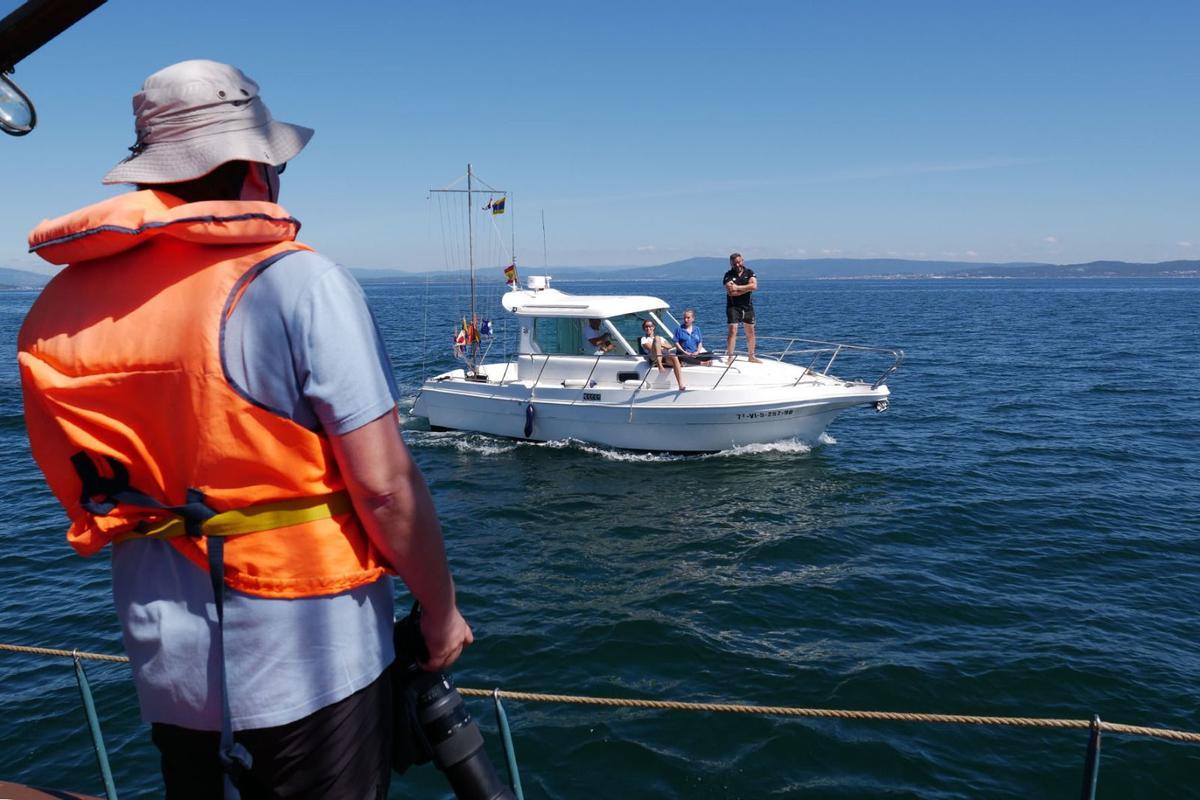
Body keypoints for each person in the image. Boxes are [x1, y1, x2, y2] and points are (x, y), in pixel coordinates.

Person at [17, 60, 472, 800]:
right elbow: (386, 487)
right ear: (257, 170)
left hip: (166, 662)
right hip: (314, 657)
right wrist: (442, 614)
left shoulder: (60, 306)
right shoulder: (298, 282)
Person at [723, 252, 761, 363]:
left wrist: (738, 287)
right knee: (732, 330)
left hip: (748, 307)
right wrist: (747, 288)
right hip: (733, 307)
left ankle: (751, 356)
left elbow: (754, 286)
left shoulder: (749, 272)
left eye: (739, 262)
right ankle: (730, 356)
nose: (737, 265)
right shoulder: (728, 275)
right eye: (734, 263)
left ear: (742, 261)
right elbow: (731, 292)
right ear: (731, 264)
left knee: (751, 331)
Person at [639, 320, 686, 390]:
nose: (648, 328)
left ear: (653, 327)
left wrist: (659, 344)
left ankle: (680, 384)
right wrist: (658, 344)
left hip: (664, 356)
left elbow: (670, 346)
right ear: (644, 328)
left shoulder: (661, 338)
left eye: (650, 326)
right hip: (653, 357)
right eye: (646, 327)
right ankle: (659, 365)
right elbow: (650, 348)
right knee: (657, 338)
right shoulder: (644, 339)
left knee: (674, 356)